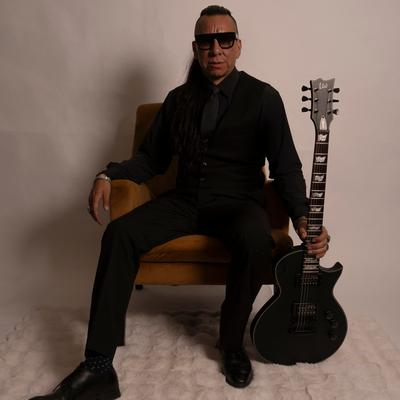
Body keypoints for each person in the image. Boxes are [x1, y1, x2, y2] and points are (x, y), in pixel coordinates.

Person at [29, 5, 330, 399]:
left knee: (257, 238)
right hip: (184, 201)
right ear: (196, 48)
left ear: (238, 46)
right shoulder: (178, 100)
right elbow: (150, 160)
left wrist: (304, 216)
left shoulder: (264, 98)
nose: (216, 48)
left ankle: (231, 344)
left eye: (225, 40)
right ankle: (99, 365)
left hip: (238, 203)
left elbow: (286, 167)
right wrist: (107, 175)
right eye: (207, 41)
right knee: (120, 233)